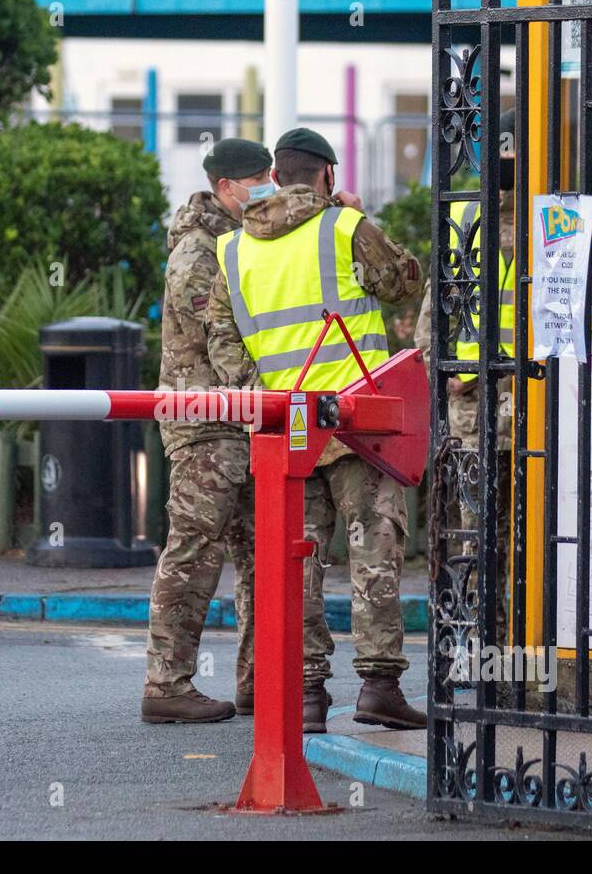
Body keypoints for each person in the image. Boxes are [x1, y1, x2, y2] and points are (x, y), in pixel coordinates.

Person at [207, 127, 425, 734]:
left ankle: (306, 698)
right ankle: (380, 687)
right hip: (359, 420)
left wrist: (266, 398)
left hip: (287, 428)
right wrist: (358, 215)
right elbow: (406, 282)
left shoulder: (232, 251)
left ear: (275, 178)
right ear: (326, 174)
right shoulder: (343, 228)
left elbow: (223, 347)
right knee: (373, 549)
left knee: (296, 561)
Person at [141, 138, 274, 724]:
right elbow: (222, 341)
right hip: (204, 426)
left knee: (256, 553)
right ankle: (166, 684)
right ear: (227, 187)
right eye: (258, 180)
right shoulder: (198, 252)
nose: (267, 189)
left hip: (239, 422)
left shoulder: (235, 241)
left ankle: (258, 681)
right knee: (194, 551)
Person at [414, 109, 517, 651]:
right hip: (481, 424)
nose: (504, 167)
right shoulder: (466, 229)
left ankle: (495, 649)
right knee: (482, 544)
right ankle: (488, 649)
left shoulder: (537, 228)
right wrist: (455, 374)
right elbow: (430, 334)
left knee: (496, 544)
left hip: (512, 420)